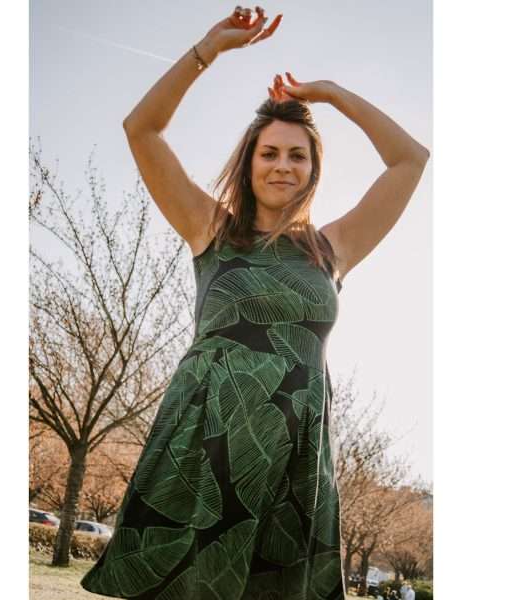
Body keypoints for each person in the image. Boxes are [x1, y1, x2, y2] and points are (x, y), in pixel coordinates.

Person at [81, 5, 429, 599]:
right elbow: (142, 130)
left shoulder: (334, 248)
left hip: (295, 455)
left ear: (314, 169)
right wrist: (209, 49)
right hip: (204, 442)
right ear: (248, 164)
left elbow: (410, 159)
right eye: (269, 153)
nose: (283, 166)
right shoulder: (209, 230)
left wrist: (330, 94)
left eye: (298, 155)